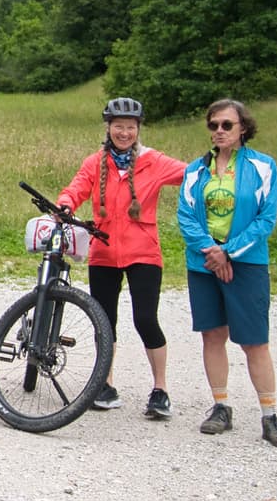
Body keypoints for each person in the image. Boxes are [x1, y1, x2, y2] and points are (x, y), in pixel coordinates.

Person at [55, 97, 188, 417]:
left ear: (138, 129)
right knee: (105, 321)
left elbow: (191, 174)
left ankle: (160, 389)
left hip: (143, 252)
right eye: (118, 127)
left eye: (130, 127)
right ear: (109, 128)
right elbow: (76, 188)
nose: (124, 132)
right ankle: (105, 383)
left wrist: (220, 170)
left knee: (145, 319)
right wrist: (66, 204)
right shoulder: (95, 163)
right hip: (104, 252)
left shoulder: (153, 161)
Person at [177, 98, 277, 448]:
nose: (219, 131)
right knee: (212, 335)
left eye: (226, 125)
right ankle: (221, 406)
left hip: (246, 262)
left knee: (254, 340)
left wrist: (228, 251)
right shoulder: (196, 170)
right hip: (203, 264)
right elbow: (185, 216)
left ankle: (270, 415)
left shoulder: (263, 166)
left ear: (243, 127)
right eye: (213, 125)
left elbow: (265, 218)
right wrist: (212, 252)